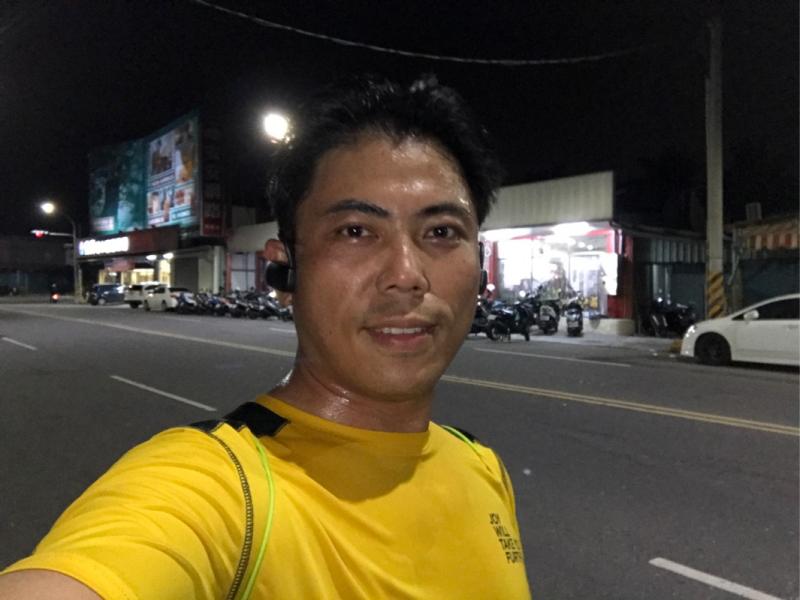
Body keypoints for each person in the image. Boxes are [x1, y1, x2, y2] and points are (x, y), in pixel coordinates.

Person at [0, 74, 531, 599]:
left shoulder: (481, 467)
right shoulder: (222, 489)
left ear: (479, 264)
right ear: (284, 271)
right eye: (355, 231)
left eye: (441, 232)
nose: (406, 274)